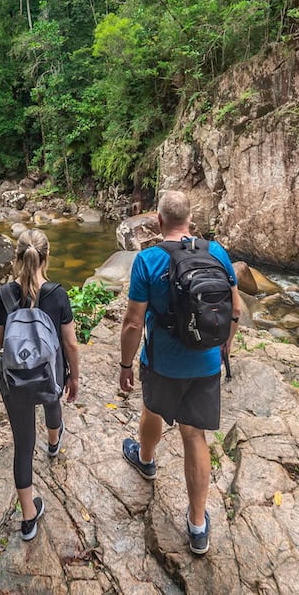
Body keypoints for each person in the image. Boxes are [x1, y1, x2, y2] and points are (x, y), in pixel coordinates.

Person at [118, 190, 240, 555]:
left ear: (158, 221)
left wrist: (126, 365)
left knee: (152, 409)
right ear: (190, 219)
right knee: (195, 435)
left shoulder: (148, 260)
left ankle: (146, 460)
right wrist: (225, 345)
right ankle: (198, 525)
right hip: (205, 362)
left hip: (163, 362)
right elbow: (235, 307)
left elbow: (132, 323)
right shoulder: (216, 253)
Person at [0, 229, 81, 541]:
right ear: (47, 257)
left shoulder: (4, 295)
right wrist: (74, 376)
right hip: (50, 373)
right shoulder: (58, 295)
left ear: (17, 258)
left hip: (15, 380)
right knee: (52, 400)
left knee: (24, 445)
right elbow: (70, 344)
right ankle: (54, 442)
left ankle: (28, 517)